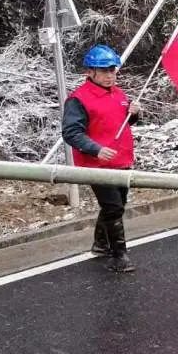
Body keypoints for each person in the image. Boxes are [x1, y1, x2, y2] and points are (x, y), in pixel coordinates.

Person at [62, 44, 140, 272]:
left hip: (121, 160)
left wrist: (134, 115)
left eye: (112, 70)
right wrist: (95, 149)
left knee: (116, 205)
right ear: (90, 72)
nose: (109, 75)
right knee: (113, 207)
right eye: (104, 71)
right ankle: (119, 256)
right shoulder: (78, 99)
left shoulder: (119, 94)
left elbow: (121, 122)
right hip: (96, 164)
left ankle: (101, 244)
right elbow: (71, 132)